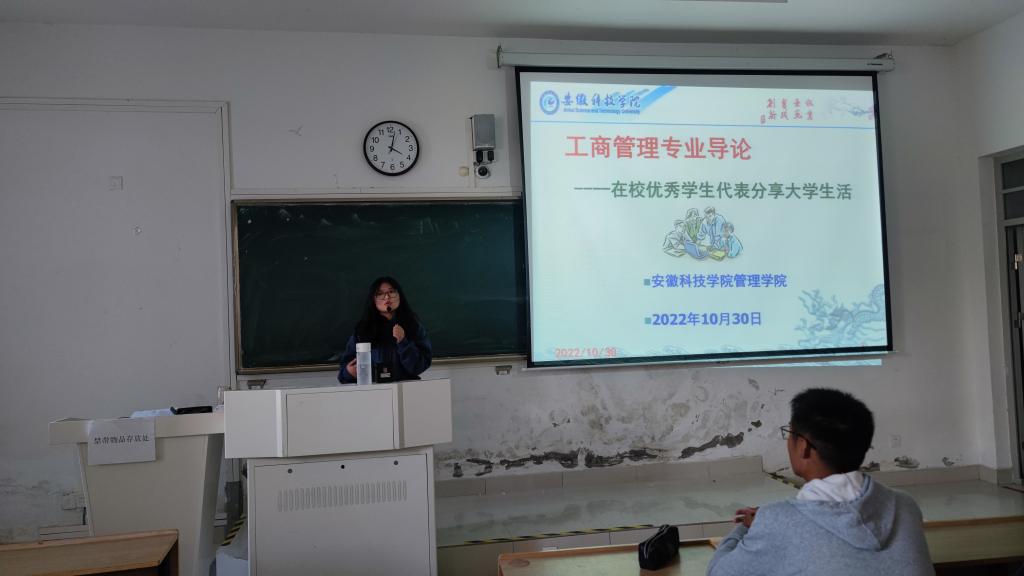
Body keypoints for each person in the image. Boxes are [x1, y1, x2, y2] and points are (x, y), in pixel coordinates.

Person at [707, 388, 933, 576]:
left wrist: (746, 529)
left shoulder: (777, 520)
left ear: (803, 447)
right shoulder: (905, 505)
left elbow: (718, 572)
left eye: (790, 434)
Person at [337, 276, 432, 384]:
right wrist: (348, 372)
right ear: (373, 300)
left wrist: (403, 342)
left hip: (407, 388)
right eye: (380, 294)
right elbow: (342, 374)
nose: (387, 297)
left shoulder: (413, 326)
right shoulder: (363, 330)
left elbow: (419, 367)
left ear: (399, 296)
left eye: (391, 292)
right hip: (374, 389)